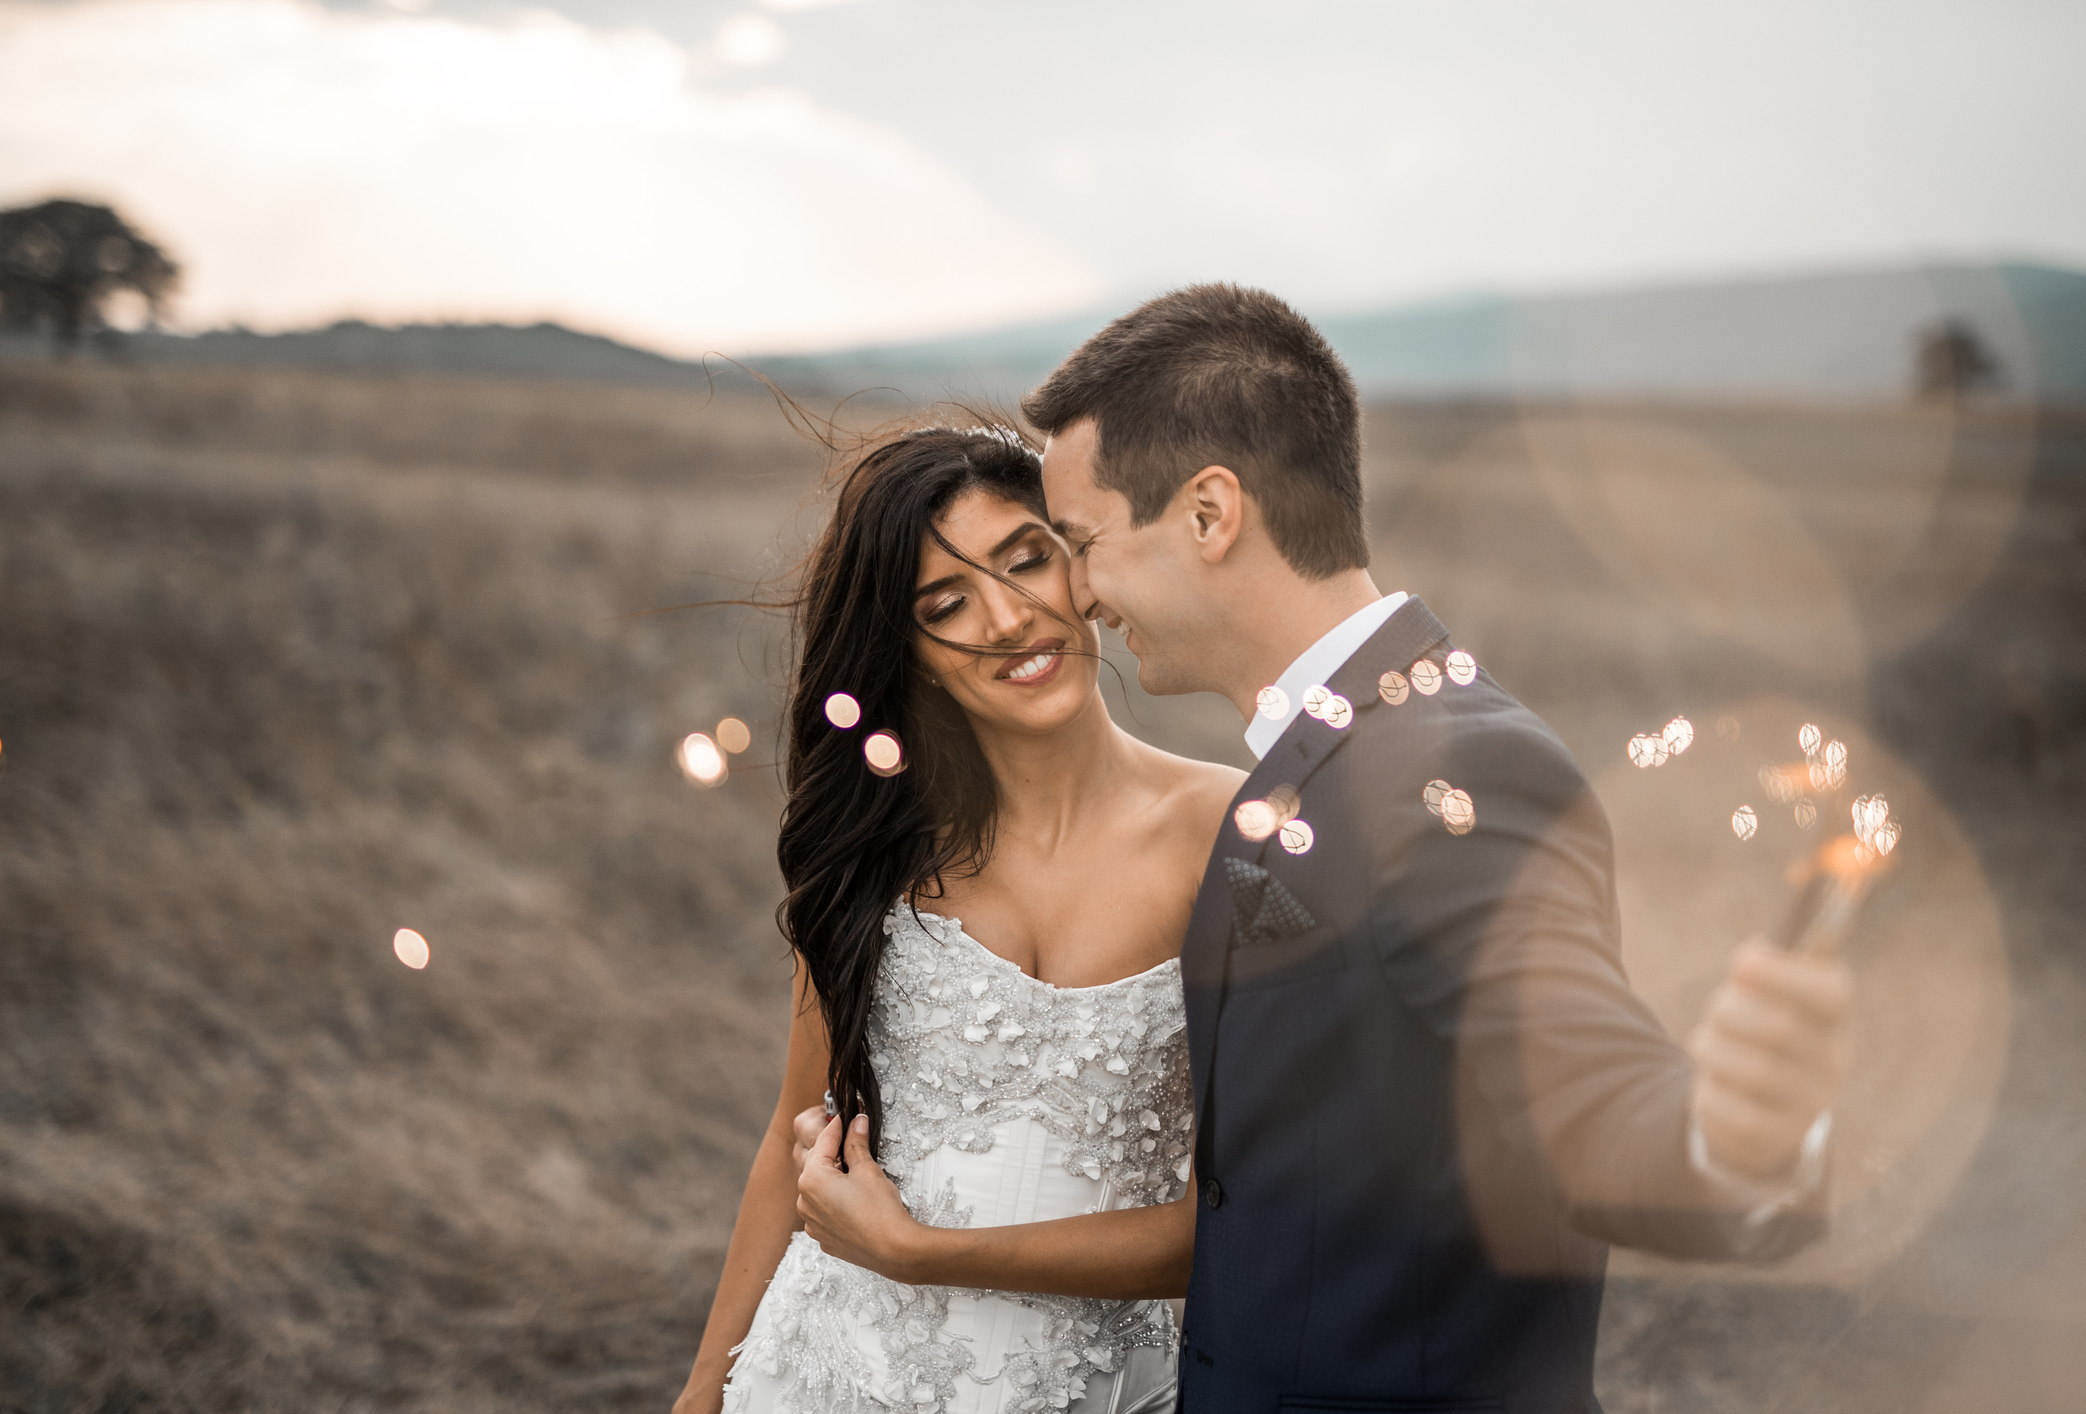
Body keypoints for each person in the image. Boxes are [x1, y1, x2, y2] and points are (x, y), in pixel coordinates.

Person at [780, 286, 1854, 1414]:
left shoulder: (1454, 771)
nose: (1079, 598)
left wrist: (1737, 1139)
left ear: (1209, 514)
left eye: (1082, 545)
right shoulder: (1333, 751)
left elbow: (1589, 1095)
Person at [671, 423, 1244, 1414]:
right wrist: (699, 1394)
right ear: (911, 654)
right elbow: (790, 1138)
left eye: (1029, 559)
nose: (1012, 616)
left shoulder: (1229, 834)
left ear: (1085, 563)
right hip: (825, 1376)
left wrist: (918, 1253)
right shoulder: (876, 854)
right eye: (949, 604)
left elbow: (1233, 1226)